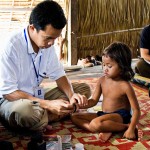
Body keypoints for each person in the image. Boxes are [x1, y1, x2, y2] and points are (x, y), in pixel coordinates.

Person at [0, 0, 91, 131]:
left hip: (36, 98)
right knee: (26, 113)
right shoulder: (11, 47)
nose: (51, 43)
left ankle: (43, 119)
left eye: (55, 38)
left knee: (83, 89)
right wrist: (48, 104)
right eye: (48, 38)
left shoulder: (47, 45)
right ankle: (49, 116)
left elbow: (59, 75)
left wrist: (72, 96)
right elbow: (9, 93)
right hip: (12, 101)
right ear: (32, 28)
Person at [71, 42, 141, 142]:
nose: (105, 69)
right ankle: (106, 128)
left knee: (95, 123)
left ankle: (125, 127)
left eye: (109, 66)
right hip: (104, 115)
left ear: (122, 66)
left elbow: (136, 110)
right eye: (103, 65)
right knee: (75, 116)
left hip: (120, 116)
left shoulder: (125, 86)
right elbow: (93, 101)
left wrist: (131, 128)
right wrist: (78, 105)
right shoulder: (102, 80)